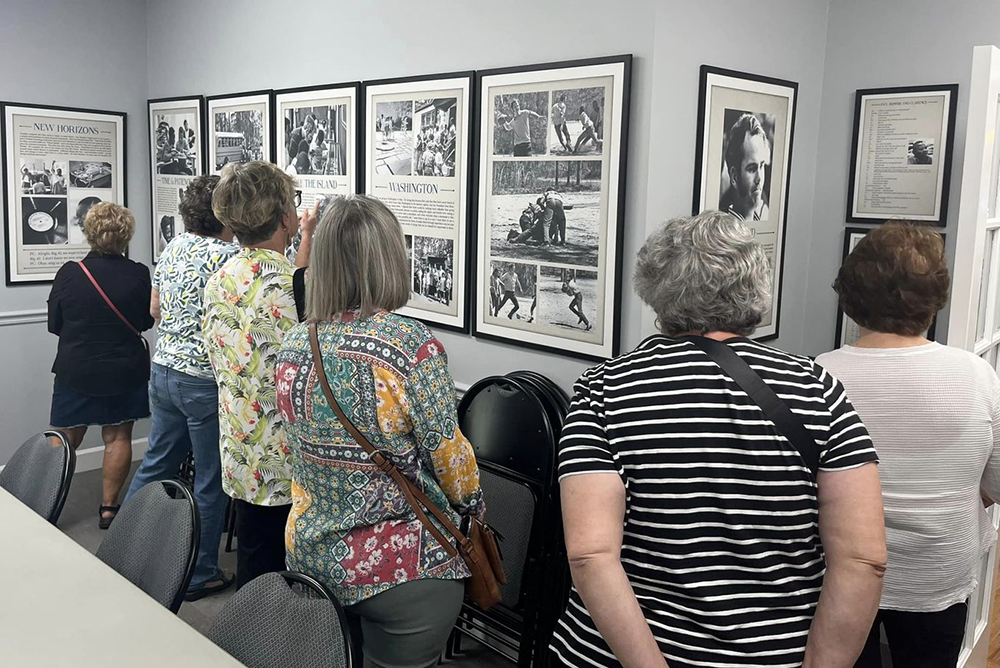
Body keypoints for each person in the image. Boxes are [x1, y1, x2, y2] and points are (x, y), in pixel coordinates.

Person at [550, 210, 887, 668]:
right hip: (772, 655)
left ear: (654, 289)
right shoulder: (816, 387)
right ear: (755, 288)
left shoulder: (605, 388)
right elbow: (862, 558)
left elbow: (591, 554)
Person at [275, 195, 484, 668]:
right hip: (404, 569)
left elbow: (297, 453)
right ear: (390, 258)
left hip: (311, 555)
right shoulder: (409, 345)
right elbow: (450, 460)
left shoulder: (293, 344)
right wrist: (473, 509)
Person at [815, 223, 1000, 668]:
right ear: (935, 296)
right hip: (938, 572)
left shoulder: (820, 375)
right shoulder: (976, 375)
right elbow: (995, 484)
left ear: (851, 294)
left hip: (838, 573)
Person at [124, 175, 238, 601]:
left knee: (155, 464)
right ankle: (200, 573)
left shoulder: (173, 247)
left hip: (164, 370)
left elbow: (154, 309)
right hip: (203, 382)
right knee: (209, 481)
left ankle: (122, 547)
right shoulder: (229, 256)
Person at [202, 160, 302, 588]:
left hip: (241, 449)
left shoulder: (220, 279)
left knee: (254, 560)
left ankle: (249, 635)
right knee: (287, 569)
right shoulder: (296, 286)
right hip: (288, 459)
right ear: (284, 217)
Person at [47, 203, 154, 529]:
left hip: (76, 368)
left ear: (90, 233)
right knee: (118, 436)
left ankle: (47, 501)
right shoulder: (138, 273)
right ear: (126, 235)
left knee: (64, 437)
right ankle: (109, 509)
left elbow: (55, 324)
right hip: (124, 370)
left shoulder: (69, 272)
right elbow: (144, 321)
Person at [720, 113, 770, 222]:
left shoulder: (765, 213)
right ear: (734, 177)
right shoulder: (724, 226)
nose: (759, 178)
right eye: (752, 169)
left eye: (761, 166)